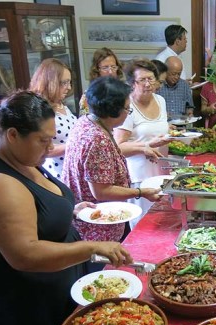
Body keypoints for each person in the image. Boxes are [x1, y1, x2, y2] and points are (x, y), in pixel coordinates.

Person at [0, 91, 132, 325]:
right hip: (22, 303)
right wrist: (92, 247)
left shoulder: (22, 158)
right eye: (43, 140)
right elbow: (25, 255)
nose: (50, 148)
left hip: (53, 287)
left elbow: (38, 207)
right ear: (12, 135)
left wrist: (71, 208)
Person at [62, 76, 162, 243]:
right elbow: (102, 191)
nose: (128, 113)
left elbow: (104, 160)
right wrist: (141, 192)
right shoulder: (97, 139)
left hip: (86, 220)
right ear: (113, 111)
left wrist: (142, 148)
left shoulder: (85, 122)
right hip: (97, 225)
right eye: (127, 109)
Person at [113, 59, 171, 216]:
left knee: (162, 218)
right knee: (143, 219)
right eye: (142, 80)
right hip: (138, 175)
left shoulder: (160, 100)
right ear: (132, 83)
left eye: (151, 78)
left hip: (161, 169)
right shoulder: (127, 107)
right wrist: (146, 146)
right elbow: (117, 148)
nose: (148, 84)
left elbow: (158, 130)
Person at [29, 58, 77, 180]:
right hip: (58, 175)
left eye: (69, 82)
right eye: (64, 83)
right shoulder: (39, 110)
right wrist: (75, 146)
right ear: (50, 82)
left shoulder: (62, 105)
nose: (69, 87)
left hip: (72, 171)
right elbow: (42, 149)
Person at [79, 47, 124, 115]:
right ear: (97, 70)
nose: (110, 72)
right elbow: (85, 120)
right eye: (105, 68)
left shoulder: (124, 92)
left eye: (113, 67)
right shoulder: (89, 96)